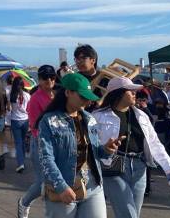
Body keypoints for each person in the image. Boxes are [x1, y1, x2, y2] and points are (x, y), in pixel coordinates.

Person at [93, 77, 170, 218]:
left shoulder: (142, 116)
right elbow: (91, 146)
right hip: (113, 167)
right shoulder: (98, 116)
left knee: (134, 212)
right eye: (130, 90)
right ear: (118, 93)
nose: (135, 93)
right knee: (128, 213)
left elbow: (155, 144)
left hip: (140, 166)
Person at [37, 73, 122, 218]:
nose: (87, 102)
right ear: (68, 92)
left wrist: (107, 150)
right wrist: (61, 186)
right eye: (83, 97)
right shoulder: (49, 121)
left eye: (89, 97)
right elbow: (46, 157)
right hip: (64, 186)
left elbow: (95, 152)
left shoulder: (89, 119)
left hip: (93, 185)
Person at [17, 65, 56, 218]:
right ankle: (24, 202)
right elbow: (34, 126)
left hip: (59, 144)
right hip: (40, 143)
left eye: (52, 77)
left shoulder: (59, 94)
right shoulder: (35, 99)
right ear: (39, 80)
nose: (49, 81)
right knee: (42, 182)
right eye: (45, 78)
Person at [8, 76, 31, 173]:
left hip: (15, 120)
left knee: (18, 142)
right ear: (22, 84)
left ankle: (20, 163)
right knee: (22, 141)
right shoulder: (27, 95)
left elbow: (9, 109)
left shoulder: (11, 95)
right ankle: (22, 160)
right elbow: (29, 109)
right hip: (25, 120)